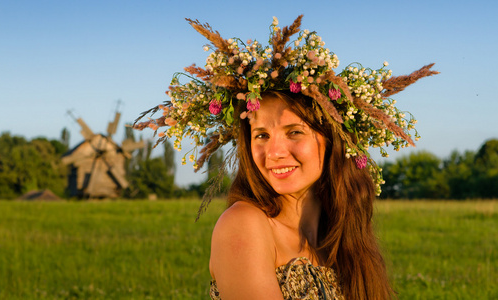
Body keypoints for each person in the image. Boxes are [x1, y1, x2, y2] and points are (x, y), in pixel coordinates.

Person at [134, 15, 438, 300]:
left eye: (294, 132)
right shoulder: (245, 225)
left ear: (331, 140)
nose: (275, 153)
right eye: (262, 135)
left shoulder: (341, 238)